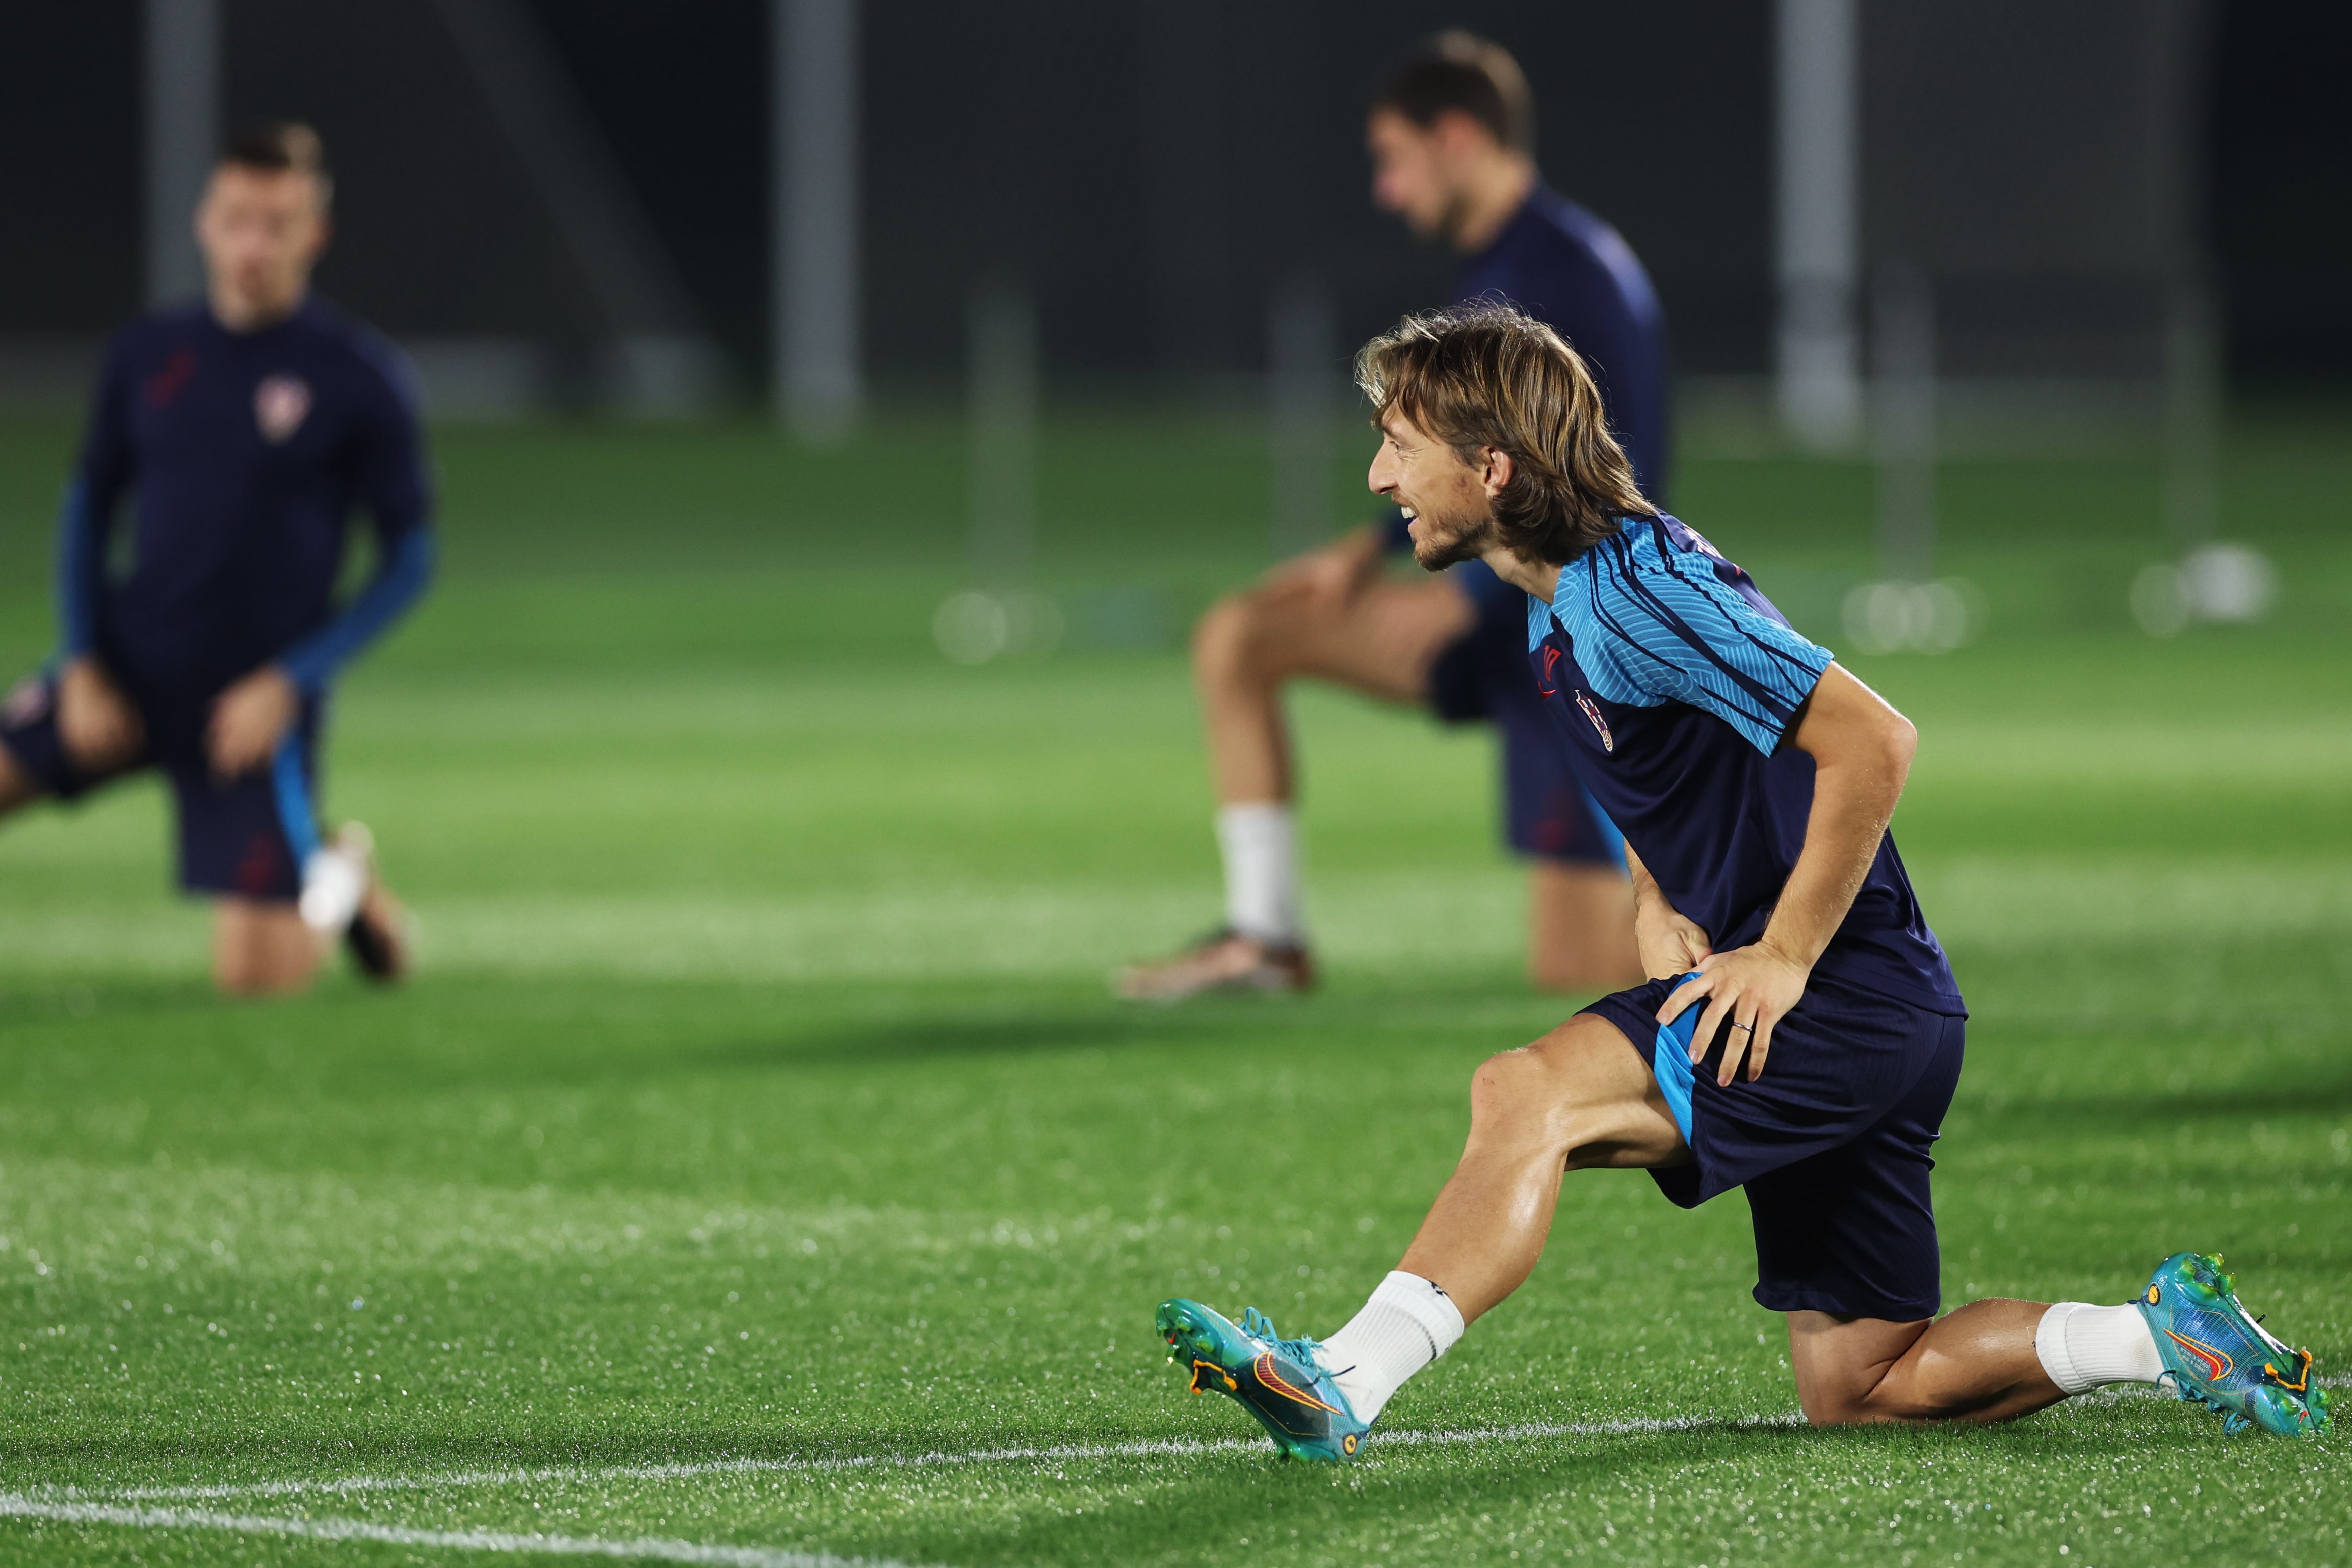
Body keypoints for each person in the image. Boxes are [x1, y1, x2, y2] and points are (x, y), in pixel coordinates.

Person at [1153, 303, 2329, 1458]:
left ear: (1495, 469)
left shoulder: (1640, 594)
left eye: (1400, 446)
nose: (1377, 477)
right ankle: (2160, 1336)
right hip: (1878, 1015)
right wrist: (1653, 896)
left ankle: (1346, 1376)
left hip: (1836, 998)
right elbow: (1667, 770)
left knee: (1527, 1094)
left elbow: (1876, 739)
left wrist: (1785, 955)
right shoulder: (1563, 601)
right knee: (1865, 1384)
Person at [1116, 33, 1663, 1000]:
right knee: (1240, 636)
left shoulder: (1568, 275)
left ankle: (1837, 1002)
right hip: (1504, 625)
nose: (1387, 190)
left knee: (1599, 975)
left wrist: (1465, 596)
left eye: (1394, 160)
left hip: (1569, 640)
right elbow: (1468, 457)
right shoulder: (1503, 267)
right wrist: (1368, 551)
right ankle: (1267, 940)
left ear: (1455, 137)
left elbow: (1609, 475)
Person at [0, 123, 432, 996]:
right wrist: (83, 663)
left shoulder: (358, 378)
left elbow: (410, 559)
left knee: (256, 984)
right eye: (239, 219)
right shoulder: (148, 355)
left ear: (316, 234)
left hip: (248, 711)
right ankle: (316, 858)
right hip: (126, 672)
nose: (254, 245)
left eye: (278, 224)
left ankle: (339, 881)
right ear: (205, 221)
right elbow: (88, 511)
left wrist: (290, 681)